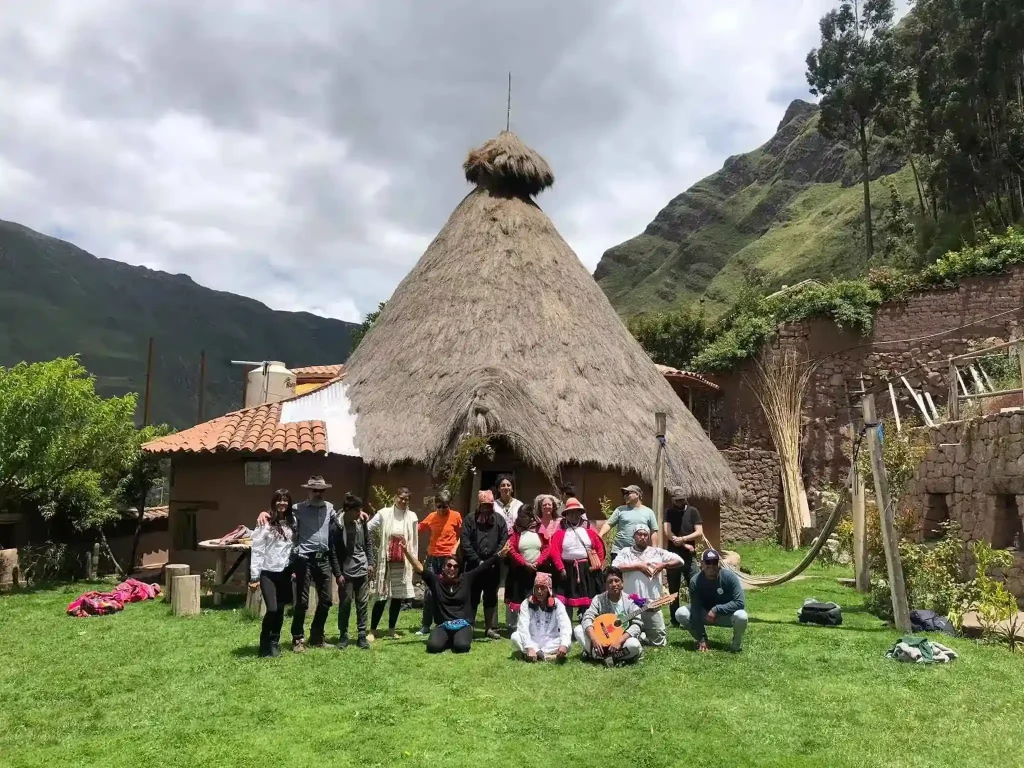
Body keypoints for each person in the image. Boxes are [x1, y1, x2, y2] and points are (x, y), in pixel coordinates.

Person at [398, 538, 510, 654]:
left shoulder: (466, 579)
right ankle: (447, 638)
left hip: (462, 624)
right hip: (443, 625)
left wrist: (498, 555)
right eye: (449, 566)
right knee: (433, 647)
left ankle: (457, 637)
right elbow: (419, 568)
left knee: (462, 647)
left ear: (458, 569)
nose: (452, 569)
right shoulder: (436, 581)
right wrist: (406, 551)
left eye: (455, 567)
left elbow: (483, 567)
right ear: (443, 567)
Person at [281, 476, 337, 652]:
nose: (318, 493)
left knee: (327, 600)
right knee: (302, 602)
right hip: (304, 558)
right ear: (308, 491)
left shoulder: (330, 508)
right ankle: (297, 639)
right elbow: (280, 513)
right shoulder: (298, 509)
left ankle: (317, 637)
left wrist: (360, 513)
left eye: (321, 490)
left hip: (323, 559)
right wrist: (264, 513)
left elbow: (341, 519)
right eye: (314, 490)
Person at [612, 524, 684, 647]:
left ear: (649, 537)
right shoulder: (625, 552)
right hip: (631, 606)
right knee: (624, 639)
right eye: (639, 534)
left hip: (652, 605)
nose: (642, 537)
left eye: (645, 535)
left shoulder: (657, 552)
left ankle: (643, 635)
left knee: (659, 643)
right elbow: (615, 566)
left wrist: (664, 565)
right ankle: (639, 635)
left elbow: (680, 560)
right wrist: (638, 566)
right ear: (634, 537)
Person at [248, 489, 295, 657]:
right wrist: (254, 576)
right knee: (273, 609)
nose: (282, 503)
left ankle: (274, 643)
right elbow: (258, 550)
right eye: (279, 500)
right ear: (273, 502)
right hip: (268, 572)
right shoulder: (265, 523)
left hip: (285, 573)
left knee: (281, 609)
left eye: (285, 500)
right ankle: (264, 644)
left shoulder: (292, 521)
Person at [367, 486, 419, 640]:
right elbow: (368, 528)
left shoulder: (412, 516)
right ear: (395, 497)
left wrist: (414, 561)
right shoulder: (384, 513)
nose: (403, 501)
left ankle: (391, 629)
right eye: (401, 498)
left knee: (397, 597)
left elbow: (414, 541)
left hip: (403, 563)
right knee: (381, 596)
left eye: (406, 498)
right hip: (386, 560)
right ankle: (372, 630)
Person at [675, 549, 748, 653]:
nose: (711, 566)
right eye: (708, 562)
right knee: (681, 613)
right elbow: (695, 609)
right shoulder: (695, 581)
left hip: (726, 615)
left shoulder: (729, 577)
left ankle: (735, 647)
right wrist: (702, 637)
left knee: (742, 616)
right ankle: (702, 641)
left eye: (714, 562)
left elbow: (740, 602)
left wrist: (716, 609)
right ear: (702, 564)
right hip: (705, 615)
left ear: (718, 563)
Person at [461, 490, 509, 639]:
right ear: (479, 505)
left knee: (491, 597)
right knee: (472, 596)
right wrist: (478, 560)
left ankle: (490, 628)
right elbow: (465, 542)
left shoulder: (500, 520)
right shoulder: (469, 520)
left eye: (489, 505)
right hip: (474, 566)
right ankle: (468, 627)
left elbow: (503, 540)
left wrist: (493, 559)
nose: (487, 508)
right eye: (484, 506)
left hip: (493, 567)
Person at [330, 493, 375, 650]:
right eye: (356, 511)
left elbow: (368, 542)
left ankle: (361, 635)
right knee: (345, 604)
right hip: (346, 570)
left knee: (362, 603)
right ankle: (343, 635)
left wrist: (370, 563)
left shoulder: (361, 522)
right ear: (347, 510)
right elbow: (333, 552)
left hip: (362, 568)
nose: (359, 514)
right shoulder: (337, 525)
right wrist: (338, 573)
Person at [416, 490, 463, 636]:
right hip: (433, 558)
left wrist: (455, 548)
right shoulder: (432, 516)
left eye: (445, 506)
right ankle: (425, 625)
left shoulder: (456, 516)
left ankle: (450, 621)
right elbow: (417, 528)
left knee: (450, 592)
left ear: (450, 504)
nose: (442, 509)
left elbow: (463, 535)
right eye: (439, 506)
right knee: (429, 592)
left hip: (449, 559)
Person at [574, 567, 643, 666]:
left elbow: (637, 624)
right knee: (578, 629)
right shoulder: (598, 599)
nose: (614, 584)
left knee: (634, 645)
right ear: (605, 585)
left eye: (617, 581)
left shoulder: (630, 601)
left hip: (621, 640)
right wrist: (594, 639)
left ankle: (600, 656)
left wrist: (619, 640)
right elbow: (587, 617)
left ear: (622, 583)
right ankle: (605, 655)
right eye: (610, 582)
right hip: (601, 640)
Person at [550, 498, 605, 619]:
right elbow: (554, 551)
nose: (574, 515)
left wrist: (598, 565)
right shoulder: (560, 534)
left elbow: (600, 549)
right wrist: (560, 568)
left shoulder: (590, 533)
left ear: (581, 514)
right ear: (566, 515)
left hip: (586, 570)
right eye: (571, 513)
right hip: (567, 569)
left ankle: (586, 625)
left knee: (587, 601)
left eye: (577, 512)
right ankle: (567, 627)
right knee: (565, 602)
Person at [505, 505, 551, 627]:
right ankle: (515, 626)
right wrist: (524, 563)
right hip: (519, 570)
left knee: (536, 597)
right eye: (520, 516)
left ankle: (536, 625)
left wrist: (538, 562)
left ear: (530, 516)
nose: (521, 519)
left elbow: (546, 548)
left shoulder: (539, 528)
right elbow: (511, 549)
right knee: (518, 598)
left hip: (537, 570)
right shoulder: (515, 530)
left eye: (524, 516)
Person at [663, 488, 703, 625]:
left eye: (682, 499)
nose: (680, 502)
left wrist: (684, 539)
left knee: (695, 585)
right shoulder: (669, 512)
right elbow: (667, 532)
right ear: (672, 500)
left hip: (689, 556)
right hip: (673, 556)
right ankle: (674, 619)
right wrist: (683, 544)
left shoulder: (693, 512)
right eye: (677, 500)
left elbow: (699, 533)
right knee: (673, 589)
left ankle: (696, 615)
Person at [511, 572, 572, 662]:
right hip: (532, 641)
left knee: (567, 644)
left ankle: (535, 655)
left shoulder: (557, 603)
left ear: (549, 590)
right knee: (515, 636)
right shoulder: (526, 603)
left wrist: (563, 645)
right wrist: (529, 647)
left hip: (551, 642)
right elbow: (523, 627)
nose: (539, 591)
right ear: (533, 589)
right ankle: (544, 655)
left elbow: (565, 624)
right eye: (537, 588)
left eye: (543, 588)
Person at [599, 484, 659, 558]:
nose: (625, 496)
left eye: (628, 493)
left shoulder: (649, 512)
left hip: (640, 553)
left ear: (637, 494)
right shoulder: (620, 510)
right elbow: (609, 524)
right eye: (624, 494)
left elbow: (653, 531)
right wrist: (600, 535)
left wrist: (654, 549)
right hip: (619, 551)